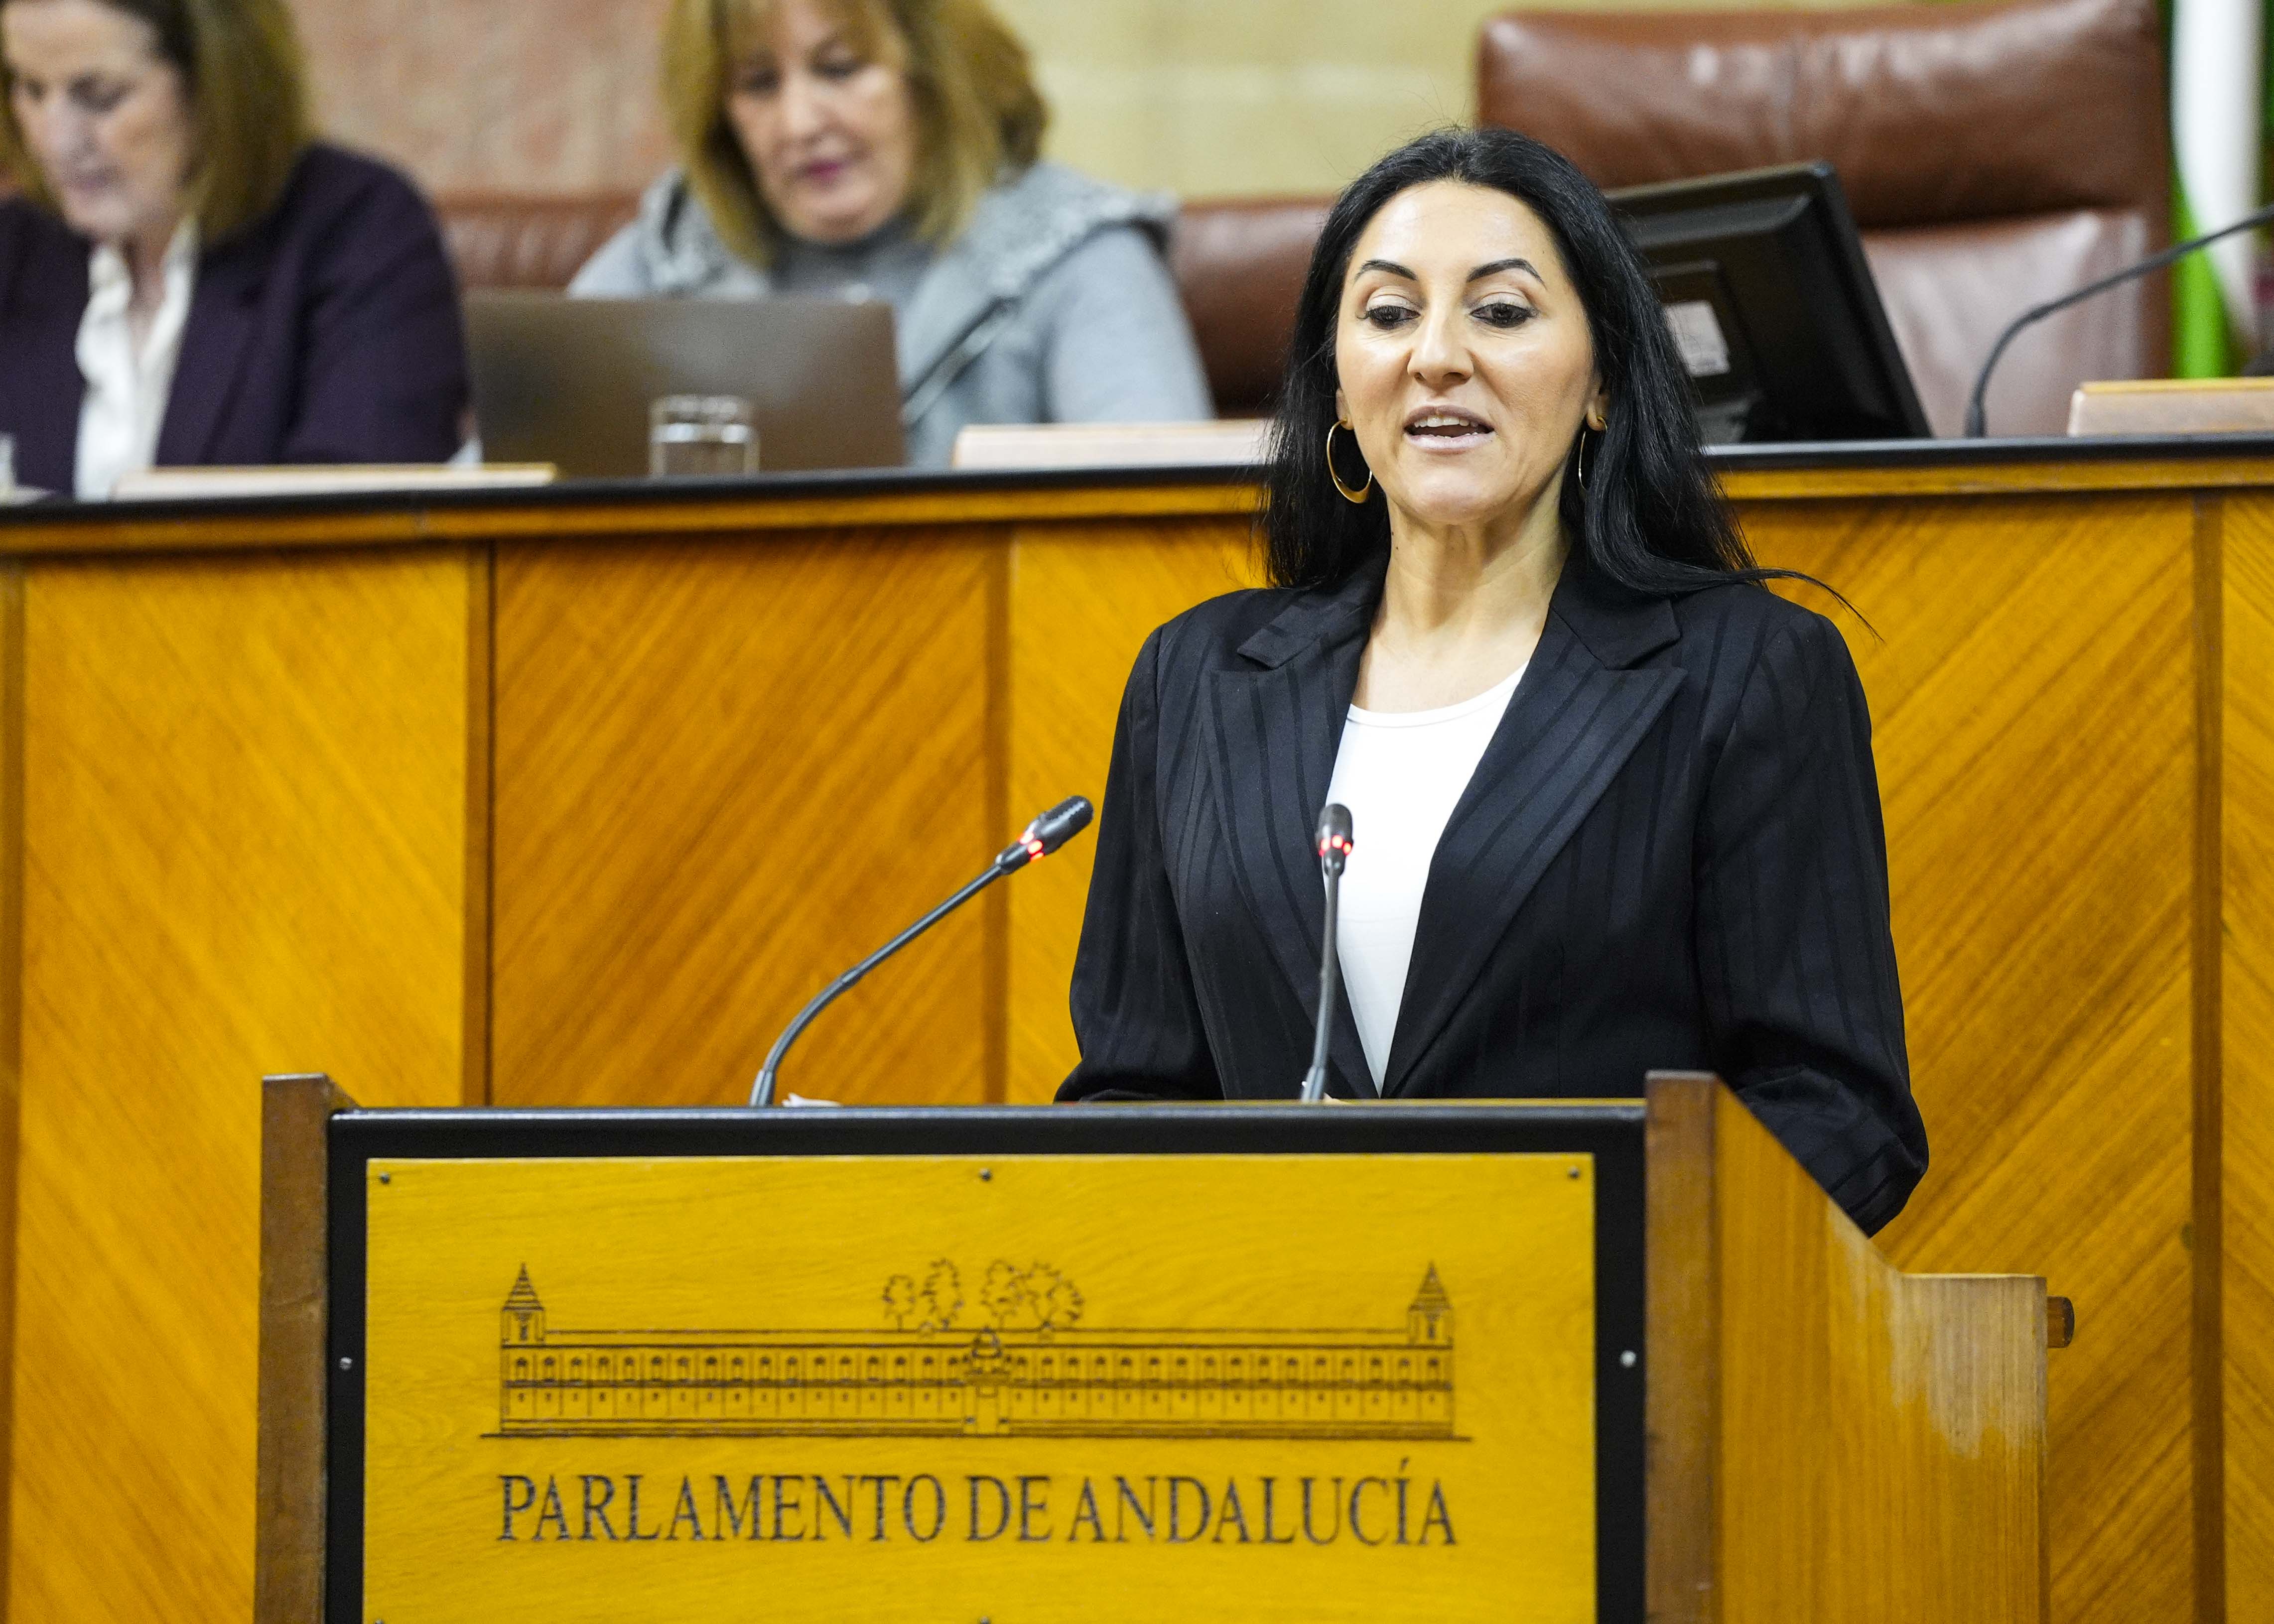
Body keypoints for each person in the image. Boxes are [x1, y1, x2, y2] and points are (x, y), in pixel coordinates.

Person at [1059, 127, 1927, 1236]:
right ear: (1334, 388)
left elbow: (1837, 1112)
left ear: (1603, 380)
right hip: (1277, 1346)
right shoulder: (1196, 677)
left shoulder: (1742, 672)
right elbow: (1132, 1090)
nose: (1434, 355)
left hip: (1600, 1354)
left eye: (1500, 312)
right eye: (1385, 313)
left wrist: (1580, 1264)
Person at [572, 0, 1214, 468]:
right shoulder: (672, 256)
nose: (798, 124)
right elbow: (481, 503)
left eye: (840, 68)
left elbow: (1161, 535)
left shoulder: (1076, 251)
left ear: (935, 78)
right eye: (759, 84)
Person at [0, 0, 467, 499]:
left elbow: (354, 538)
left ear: (221, 85)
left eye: (100, 96)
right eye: (31, 88)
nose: (55, 141)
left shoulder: (360, 231)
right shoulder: (17, 245)